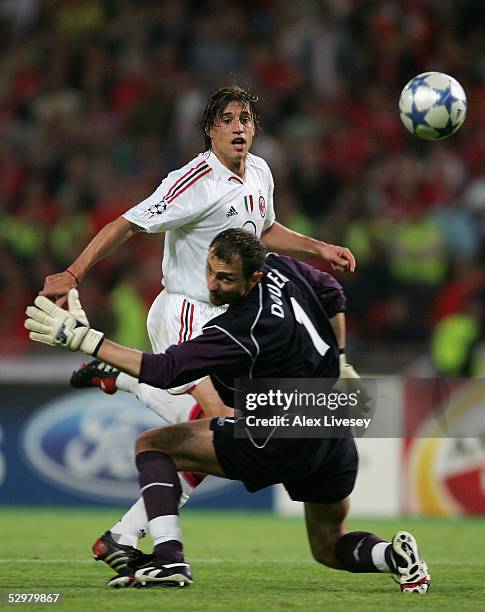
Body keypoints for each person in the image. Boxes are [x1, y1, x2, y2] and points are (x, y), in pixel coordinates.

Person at [39, 85, 361, 572]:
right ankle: (159, 551)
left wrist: (320, 249)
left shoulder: (260, 172)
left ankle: (124, 530)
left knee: (219, 433)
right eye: (227, 119)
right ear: (209, 129)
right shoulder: (193, 180)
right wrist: (73, 273)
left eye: (246, 119)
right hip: (188, 312)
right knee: (220, 427)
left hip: (234, 318)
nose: (238, 127)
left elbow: (264, 229)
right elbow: (126, 223)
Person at [26, 229, 430, 594]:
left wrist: (85, 339)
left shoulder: (245, 328)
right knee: (328, 545)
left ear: (252, 278)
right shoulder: (280, 267)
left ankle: (169, 559)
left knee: (155, 446)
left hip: (282, 437)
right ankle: (395, 558)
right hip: (329, 423)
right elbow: (331, 292)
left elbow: (166, 369)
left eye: (226, 280)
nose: (213, 286)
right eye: (211, 272)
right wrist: (341, 360)